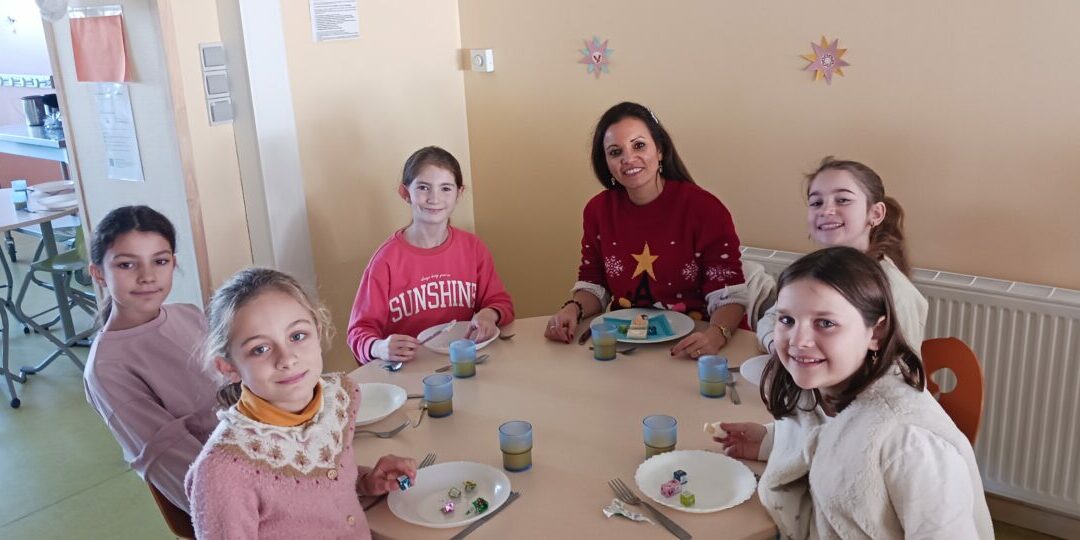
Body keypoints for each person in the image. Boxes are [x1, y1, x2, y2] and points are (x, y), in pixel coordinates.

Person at [716, 247, 992, 539]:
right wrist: (770, 440)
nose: (798, 340)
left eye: (825, 323)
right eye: (787, 320)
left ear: (876, 334)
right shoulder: (823, 387)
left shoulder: (910, 445)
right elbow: (832, 436)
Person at [186, 267, 416, 538]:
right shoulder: (223, 472)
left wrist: (365, 481)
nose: (287, 359)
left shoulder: (339, 399)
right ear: (229, 367)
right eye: (260, 349)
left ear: (317, 331)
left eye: (297, 336)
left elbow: (315, 486)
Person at [545, 102, 748, 358]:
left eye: (638, 145)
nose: (628, 159)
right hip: (625, 345)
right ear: (606, 162)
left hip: (694, 347)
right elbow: (594, 283)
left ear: (660, 149)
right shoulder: (597, 210)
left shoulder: (706, 209)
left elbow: (730, 295)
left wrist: (716, 335)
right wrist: (572, 308)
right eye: (615, 152)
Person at [83, 205, 217, 513]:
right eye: (127, 265)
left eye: (160, 261)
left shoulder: (190, 314)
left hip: (269, 454)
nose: (147, 276)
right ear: (98, 273)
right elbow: (183, 473)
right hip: (233, 497)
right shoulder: (107, 370)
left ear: (173, 263)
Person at [347, 146, 514, 364]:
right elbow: (358, 332)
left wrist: (489, 314)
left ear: (459, 193)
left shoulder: (473, 248)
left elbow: (501, 302)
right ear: (405, 193)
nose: (434, 198)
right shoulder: (385, 260)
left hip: (465, 364)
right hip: (408, 371)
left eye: (445, 188)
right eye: (424, 187)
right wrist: (379, 347)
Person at [757, 156, 927, 354]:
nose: (826, 210)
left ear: (876, 214)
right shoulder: (813, 273)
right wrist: (780, 349)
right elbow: (770, 320)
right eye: (816, 202)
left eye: (843, 200)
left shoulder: (894, 291)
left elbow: (901, 371)